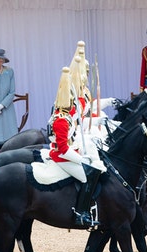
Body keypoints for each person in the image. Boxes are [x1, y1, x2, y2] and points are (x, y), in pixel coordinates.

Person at [48, 67, 101, 227]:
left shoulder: (62, 114)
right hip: (61, 156)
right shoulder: (61, 120)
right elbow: (63, 149)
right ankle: (81, 213)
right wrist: (81, 159)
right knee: (89, 174)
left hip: (67, 150)